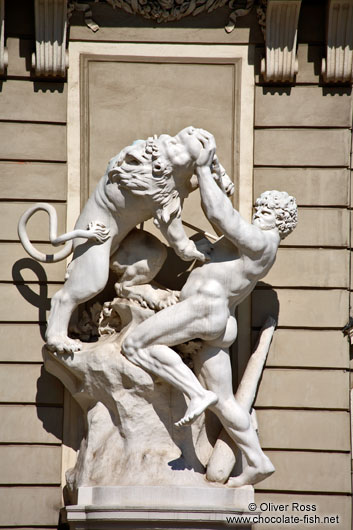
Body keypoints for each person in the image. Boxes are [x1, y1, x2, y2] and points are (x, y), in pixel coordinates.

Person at [121, 129, 297, 486]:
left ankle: (194, 393)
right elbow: (217, 249)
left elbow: (220, 213)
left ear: (280, 220)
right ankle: (257, 460)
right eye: (259, 208)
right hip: (220, 321)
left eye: (266, 211)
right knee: (226, 401)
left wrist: (203, 167)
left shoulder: (263, 243)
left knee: (134, 345)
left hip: (204, 309)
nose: (258, 213)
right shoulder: (250, 246)